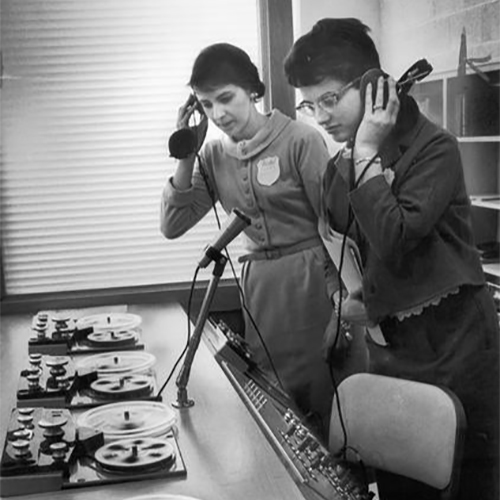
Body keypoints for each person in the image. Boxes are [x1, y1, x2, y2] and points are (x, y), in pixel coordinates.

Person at [284, 18, 499, 500]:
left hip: (454, 349)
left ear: (375, 88)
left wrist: (364, 150)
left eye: (331, 99)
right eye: (310, 104)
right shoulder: (338, 167)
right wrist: (342, 298)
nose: (320, 116)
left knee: (464, 481)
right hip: (391, 350)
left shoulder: (434, 149)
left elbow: (394, 237)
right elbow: (332, 242)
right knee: (399, 480)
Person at [160, 42, 367, 438]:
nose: (218, 114)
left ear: (251, 91)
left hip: (315, 286)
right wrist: (186, 151)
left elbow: (338, 229)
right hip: (262, 294)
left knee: (326, 403)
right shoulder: (212, 157)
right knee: (280, 410)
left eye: (226, 98)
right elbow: (172, 224)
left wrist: (341, 310)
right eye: (206, 105)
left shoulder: (300, 141)